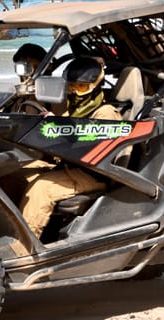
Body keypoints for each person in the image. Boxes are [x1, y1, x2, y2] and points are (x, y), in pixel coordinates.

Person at [19, 56, 122, 238]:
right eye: (71, 86)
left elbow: (90, 150)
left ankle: (24, 249)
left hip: (92, 174)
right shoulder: (72, 111)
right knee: (13, 172)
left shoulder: (105, 113)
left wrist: (59, 129)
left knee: (41, 189)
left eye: (81, 87)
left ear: (95, 86)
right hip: (68, 165)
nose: (74, 92)